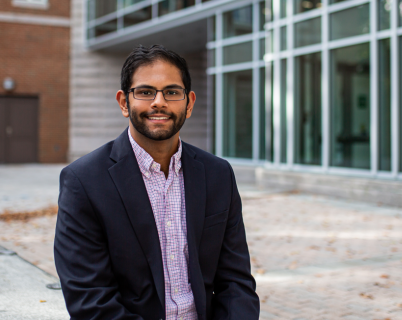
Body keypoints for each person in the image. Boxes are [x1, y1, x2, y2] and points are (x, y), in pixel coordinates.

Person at [54, 45, 259, 320]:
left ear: (189, 103)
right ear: (124, 103)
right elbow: (91, 300)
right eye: (145, 92)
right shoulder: (84, 181)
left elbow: (236, 283)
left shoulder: (218, 174)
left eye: (172, 92)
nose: (159, 102)